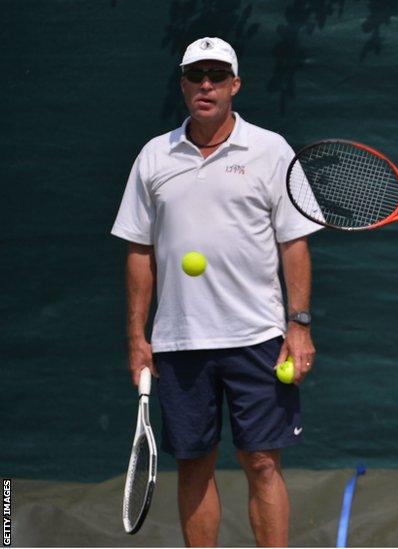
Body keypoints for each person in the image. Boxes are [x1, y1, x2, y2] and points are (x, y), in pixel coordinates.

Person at [111, 37, 322, 547]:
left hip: (258, 336)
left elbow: (294, 244)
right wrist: (137, 338)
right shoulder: (154, 156)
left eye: (216, 75)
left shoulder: (271, 150)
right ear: (183, 85)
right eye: (195, 75)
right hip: (179, 342)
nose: (206, 85)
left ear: (234, 85)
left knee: (262, 463)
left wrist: (299, 325)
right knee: (193, 466)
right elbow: (139, 251)